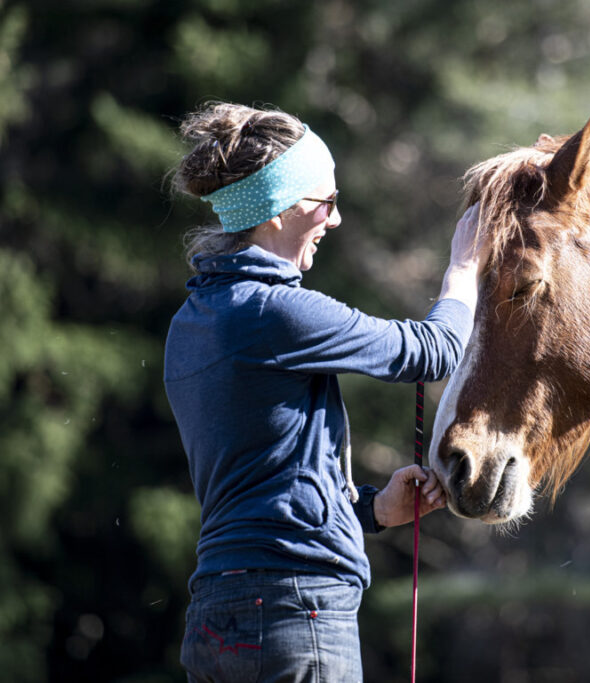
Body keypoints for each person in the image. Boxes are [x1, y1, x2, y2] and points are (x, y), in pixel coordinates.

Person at [163, 101, 483, 682]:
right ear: (280, 209)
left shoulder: (192, 320)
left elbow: (260, 484)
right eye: (326, 202)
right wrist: (466, 269)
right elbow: (429, 352)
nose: (334, 220)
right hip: (295, 609)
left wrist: (372, 510)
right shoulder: (275, 312)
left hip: (214, 616)